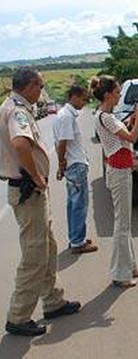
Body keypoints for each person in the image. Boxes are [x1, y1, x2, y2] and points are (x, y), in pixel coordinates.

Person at [0, 67, 80, 336]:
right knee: (35, 254)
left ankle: (53, 301)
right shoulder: (17, 110)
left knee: (47, 247)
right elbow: (21, 144)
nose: (42, 92)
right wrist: (36, 175)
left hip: (32, 190)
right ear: (30, 86)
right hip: (28, 190)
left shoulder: (14, 106)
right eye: (41, 86)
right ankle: (18, 316)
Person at [90, 75, 138, 288]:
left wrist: (132, 117)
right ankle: (120, 274)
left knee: (125, 222)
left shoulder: (104, 116)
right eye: (116, 92)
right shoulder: (106, 117)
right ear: (107, 95)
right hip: (119, 171)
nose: (119, 96)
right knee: (122, 224)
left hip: (119, 169)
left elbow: (121, 133)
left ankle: (130, 266)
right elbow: (132, 137)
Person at [53, 85, 98, 254]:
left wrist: (62, 165)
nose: (85, 103)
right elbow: (62, 143)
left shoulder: (64, 115)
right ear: (75, 97)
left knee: (73, 204)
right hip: (75, 165)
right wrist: (61, 164)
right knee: (79, 204)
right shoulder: (66, 117)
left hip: (72, 165)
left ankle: (76, 237)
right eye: (84, 99)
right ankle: (78, 242)